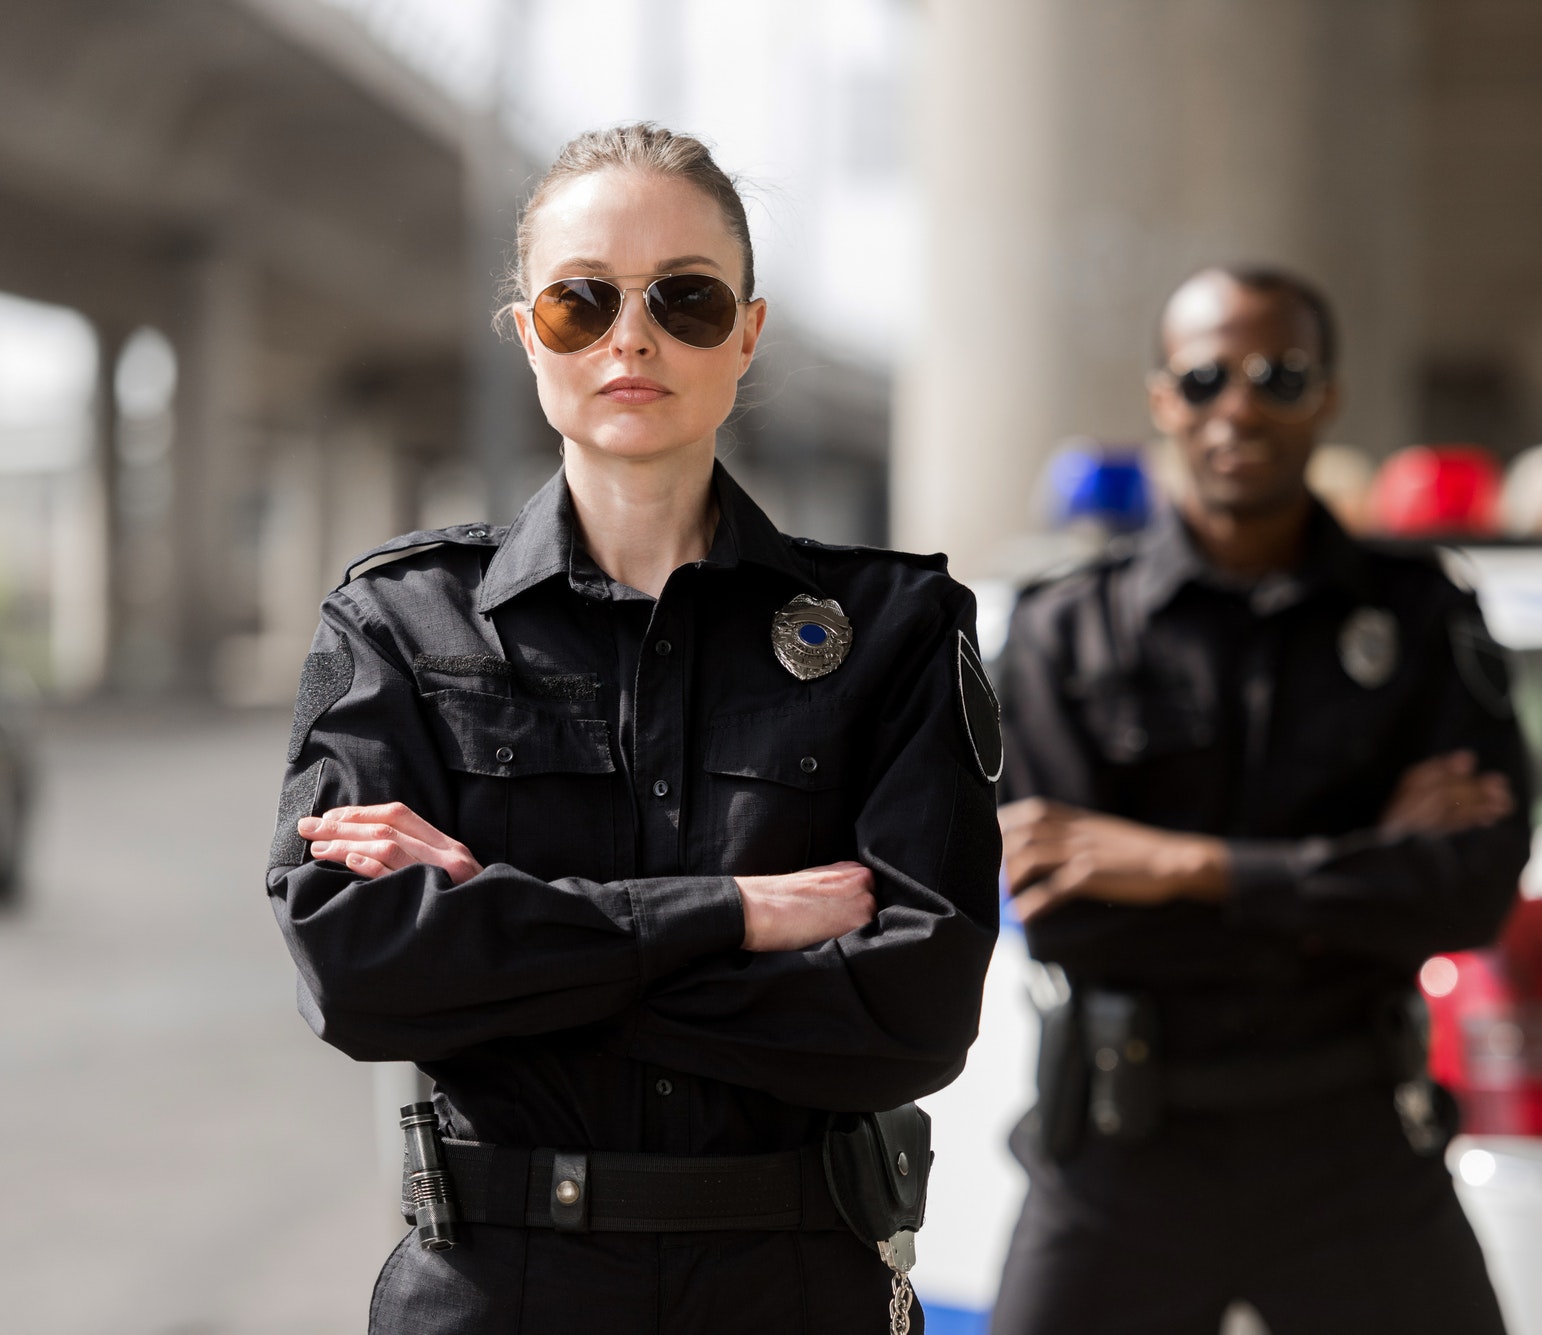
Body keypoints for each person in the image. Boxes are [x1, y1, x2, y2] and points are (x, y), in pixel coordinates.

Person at [264, 124, 1001, 1335]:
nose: (633, 336)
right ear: (524, 334)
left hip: (792, 1285)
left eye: (686, 298)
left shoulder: (894, 627)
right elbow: (356, 976)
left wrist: (505, 943)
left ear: (747, 331)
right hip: (495, 1290)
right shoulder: (398, 620)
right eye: (580, 303)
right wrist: (732, 915)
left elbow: (913, 1013)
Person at [988, 265, 1530, 1334]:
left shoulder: (1421, 618)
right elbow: (1066, 910)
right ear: (1161, 400)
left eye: (1276, 377)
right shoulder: (1063, 630)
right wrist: (1356, 870)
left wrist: (1182, 867)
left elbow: (1466, 895)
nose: (1236, 407)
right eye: (1203, 379)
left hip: (1355, 1142)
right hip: (1124, 1147)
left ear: (1325, 398)